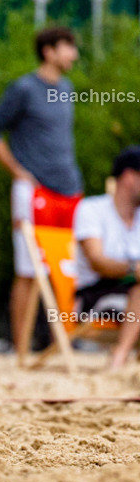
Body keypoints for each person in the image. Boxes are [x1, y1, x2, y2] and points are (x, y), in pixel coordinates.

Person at [0, 26, 83, 352]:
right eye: (68, 47)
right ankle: (20, 346)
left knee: (65, 267)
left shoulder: (67, 88)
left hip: (68, 189)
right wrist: (17, 172)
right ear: (48, 51)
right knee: (29, 269)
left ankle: (62, 342)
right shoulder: (24, 89)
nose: (74, 55)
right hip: (35, 191)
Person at [74, 147, 140, 369]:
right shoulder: (92, 209)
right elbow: (97, 262)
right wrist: (134, 269)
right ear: (129, 177)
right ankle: (119, 357)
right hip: (95, 295)